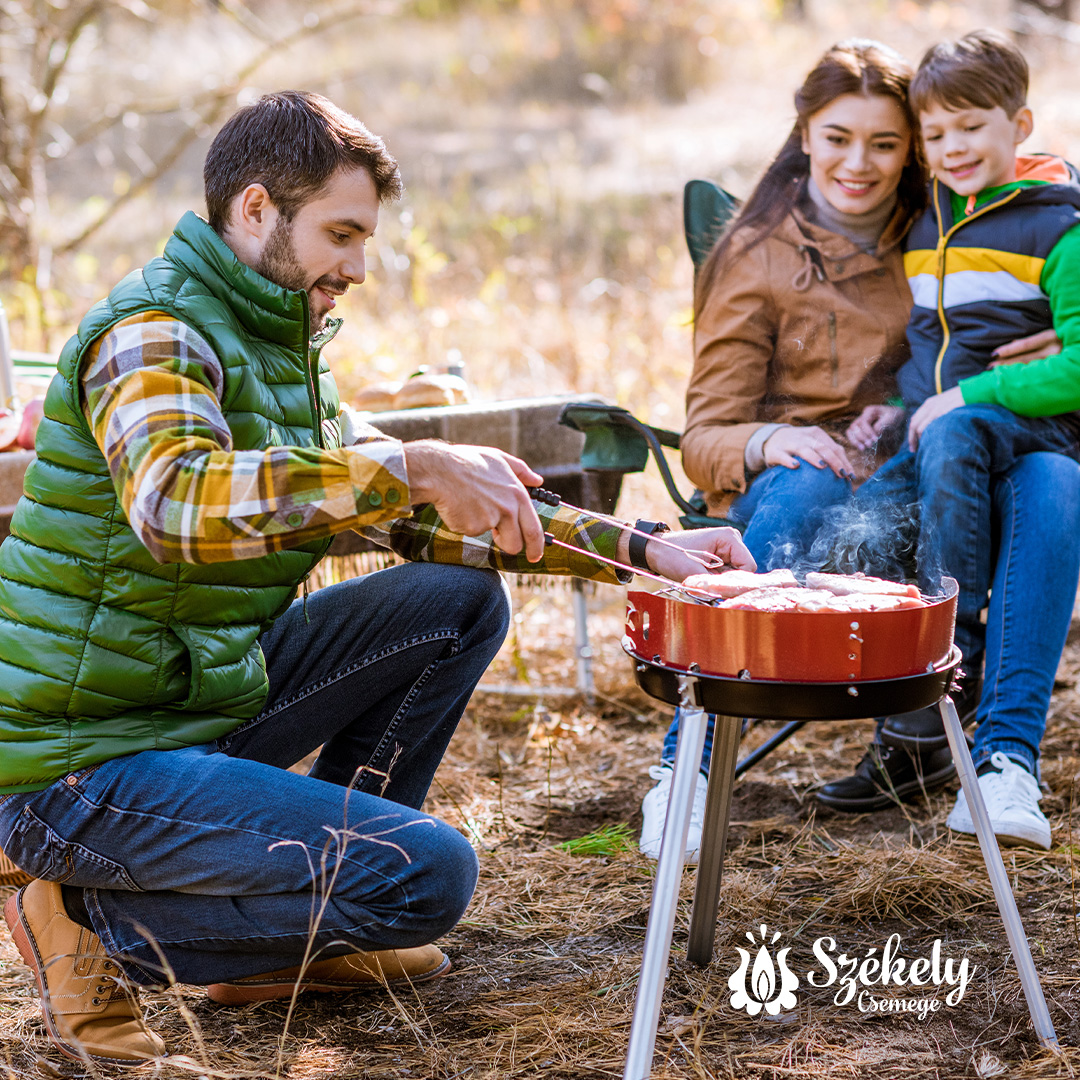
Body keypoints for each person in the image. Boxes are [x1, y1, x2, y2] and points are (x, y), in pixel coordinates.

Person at [0, 91, 754, 1066]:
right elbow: (176, 504)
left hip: (191, 701)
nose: (359, 266)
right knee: (431, 877)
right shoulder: (153, 334)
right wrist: (412, 462)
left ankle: (309, 928)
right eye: (342, 234)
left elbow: (422, 510)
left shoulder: (279, 348)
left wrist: (648, 549)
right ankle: (85, 918)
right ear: (258, 210)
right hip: (77, 760)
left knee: (455, 601)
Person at [638, 39, 1076, 862]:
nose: (860, 164)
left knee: (1056, 476)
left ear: (912, 147)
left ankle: (1006, 762)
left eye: (885, 142)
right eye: (839, 137)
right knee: (804, 484)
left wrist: (1057, 337)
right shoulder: (756, 252)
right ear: (804, 132)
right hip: (816, 494)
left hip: (950, 469)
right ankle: (685, 771)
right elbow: (703, 438)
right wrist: (775, 437)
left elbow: (1046, 204)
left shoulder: (949, 218)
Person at [819, 30, 1080, 852]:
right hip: (949, 430)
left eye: (973, 126)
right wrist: (897, 408)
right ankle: (911, 724)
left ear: (1021, 124)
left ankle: (954, 643)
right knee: (862, 521)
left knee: (957, 429)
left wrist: (968, 395)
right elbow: (934, 345)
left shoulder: (1060, 226)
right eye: (936, 133)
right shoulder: (929, 221)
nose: (953, 147)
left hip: (1037, 425)